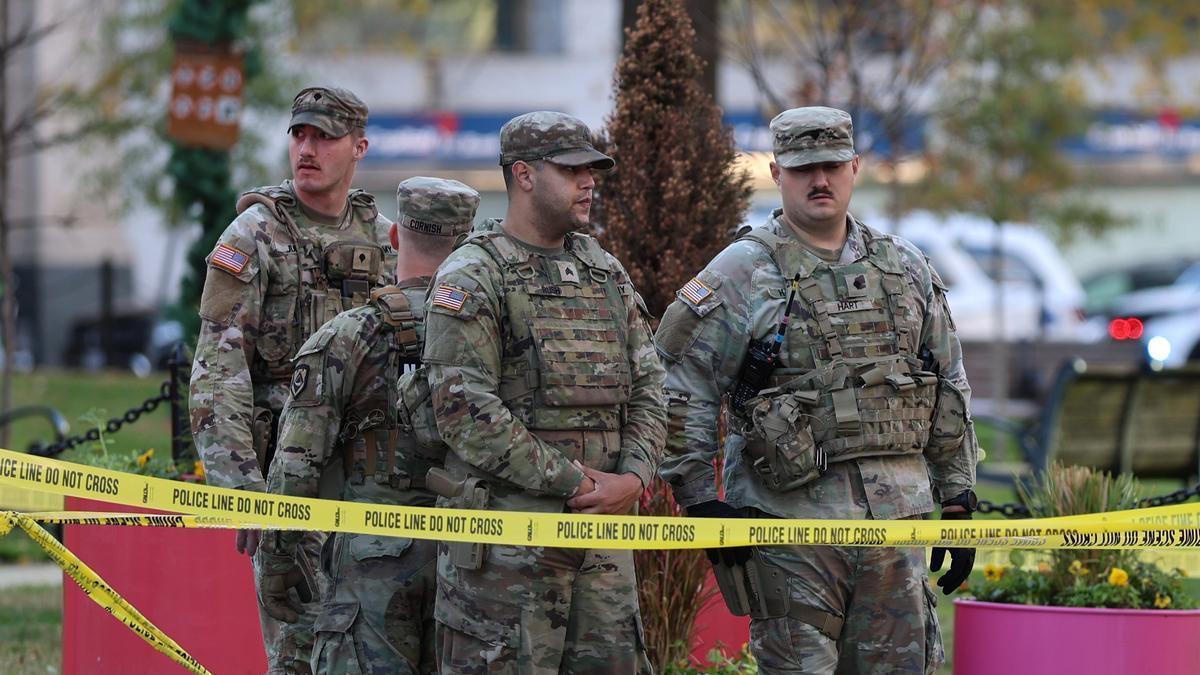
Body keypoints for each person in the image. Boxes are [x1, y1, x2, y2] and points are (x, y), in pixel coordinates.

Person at [654, 106, 979, 674]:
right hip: (789, 535)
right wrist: (702, 501)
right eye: (803, 169)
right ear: (777, 174)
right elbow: (685, 388)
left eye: (831, 165)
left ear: (855, 166)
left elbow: (947, 384)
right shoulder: (741, 272)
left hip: (896, 536)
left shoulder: (905, 267)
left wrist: (957, 498)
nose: (819, 181)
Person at [420, 111, 666, 674]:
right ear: (524, 175)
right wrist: (575, 482)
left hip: (601, 544)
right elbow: (464, 410)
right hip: (507, 550)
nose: (590, 182)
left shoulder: (604, 271)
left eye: (593, 170)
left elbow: (651, 385)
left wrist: (634, 477)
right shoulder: (473, 274)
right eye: (573, 169)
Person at [189, 86, 396, 674]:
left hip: (374, 481)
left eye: (324, 137)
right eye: (299, 134)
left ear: (358, 146)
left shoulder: (385, 240)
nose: (307, 148)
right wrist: (241, 487)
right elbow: (217, 372)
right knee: (301, 653)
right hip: (290, 480)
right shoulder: (254, 235)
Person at [258, 177, 480, 675]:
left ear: (395, 237)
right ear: (467, 243)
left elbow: (295, 468)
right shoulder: (493, 333)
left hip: (371, 567)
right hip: (475, 562)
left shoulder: (347, 334)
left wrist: (277, 564)